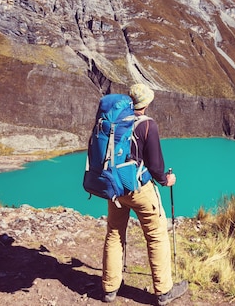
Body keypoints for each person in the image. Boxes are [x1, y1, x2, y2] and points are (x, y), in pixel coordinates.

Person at [102, 83, 188, 305]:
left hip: (114, 188)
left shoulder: (114, 120)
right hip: (139, 189)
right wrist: (166, 180)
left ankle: (110, 289)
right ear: (146, 103)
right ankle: (163, 292)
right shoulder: (147, 125)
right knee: (156, 235)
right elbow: (156, 164)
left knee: (114, 233)